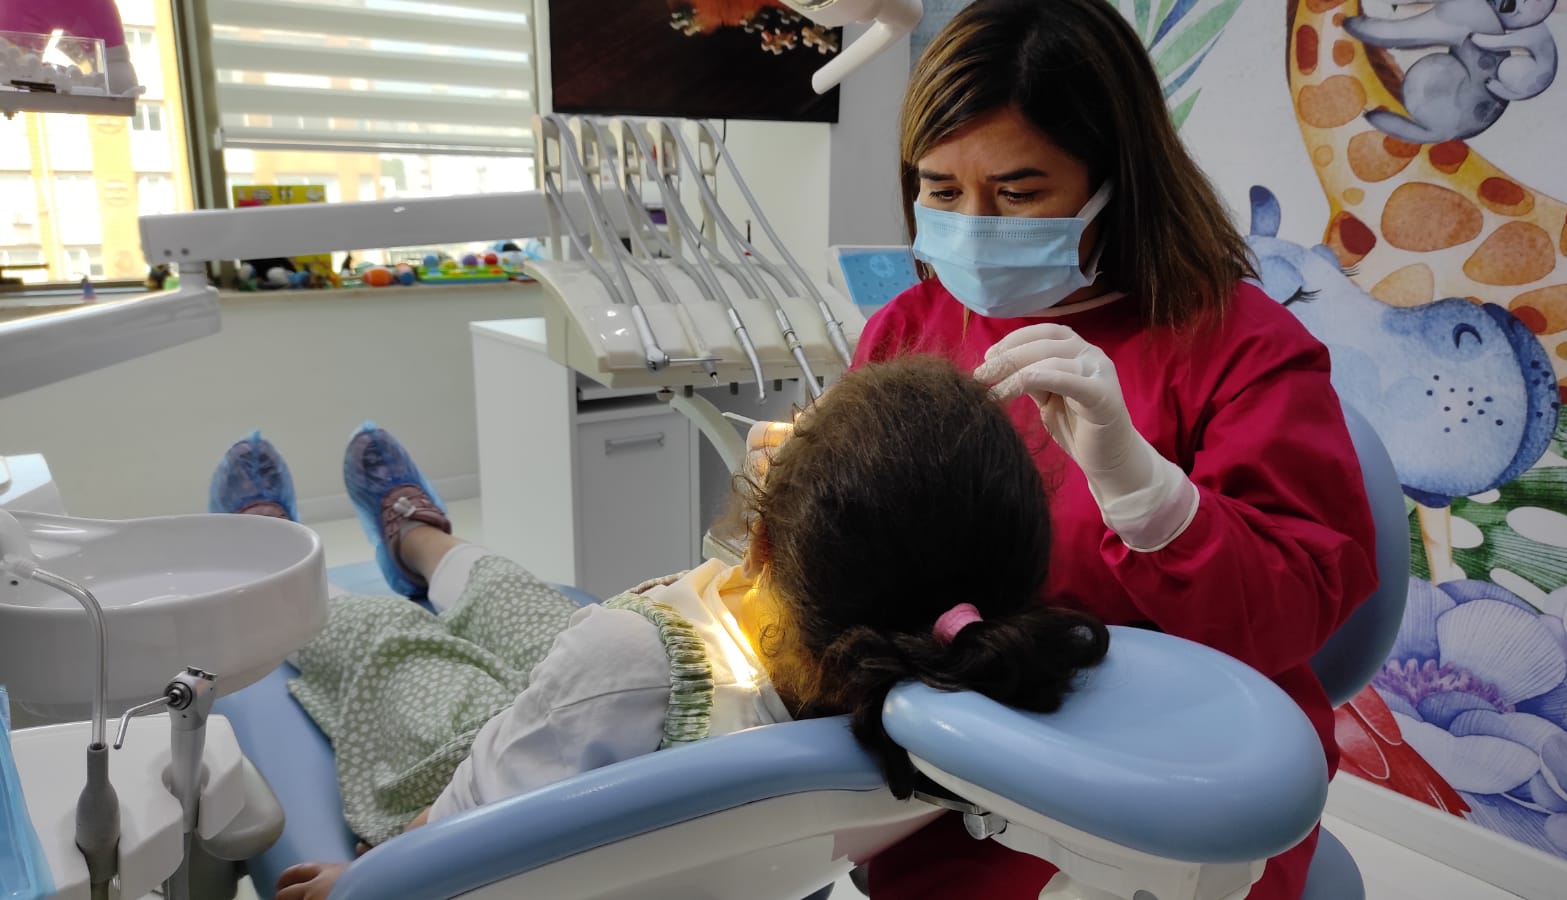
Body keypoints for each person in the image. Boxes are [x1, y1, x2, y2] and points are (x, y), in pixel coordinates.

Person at [790, 2, 1379, 897]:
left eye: (1018, 194)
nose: (973, 224)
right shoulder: (909, 328)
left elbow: (1298, 613)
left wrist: (1152, 500)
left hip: (1167, 771)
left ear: (1117, 182)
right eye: (941, 192)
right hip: (954, 756)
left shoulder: (1241, 346)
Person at [204, 357, 1111, 900]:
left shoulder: (626, 661)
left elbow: (479, 815)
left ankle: (276, 553)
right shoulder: (964, 683)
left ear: (762, 541)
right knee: (524, 603)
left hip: (573, 728)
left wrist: (377, 879)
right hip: (628, 700)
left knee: (395, 647)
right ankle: (419, 541)